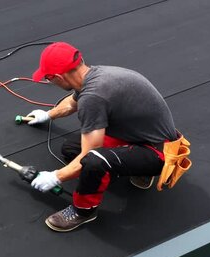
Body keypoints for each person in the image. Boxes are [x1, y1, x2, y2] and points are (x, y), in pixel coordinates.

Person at [23, 42, 178, 232]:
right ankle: (128, 167)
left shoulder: (93, 97)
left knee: (93, 162)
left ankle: (84, 211)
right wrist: (47, 115)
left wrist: (56, 177)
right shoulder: (95, 76)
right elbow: (72, 103)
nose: (49, 82)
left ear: (57, 77)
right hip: (140, 135)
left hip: (160, 152)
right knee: (71, 149)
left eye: (48, 78)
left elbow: (91, 154)